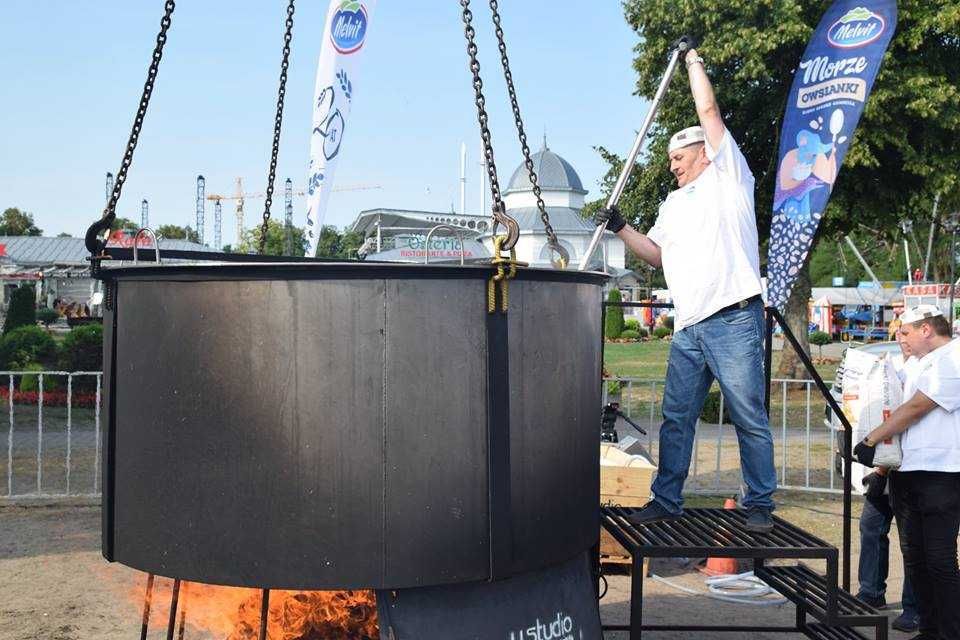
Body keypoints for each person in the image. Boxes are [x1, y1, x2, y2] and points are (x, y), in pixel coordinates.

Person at [595, 45, 777, 533]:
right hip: (691, 325)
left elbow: (708, 110)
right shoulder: (674, 204)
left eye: (679, 157)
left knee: (746, 415)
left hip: (734, 316)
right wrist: (621, 228)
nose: (672, 165)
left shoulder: (729, 176)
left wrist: (694, 61)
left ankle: (760, 502)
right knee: (676, 418)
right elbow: (657, 255)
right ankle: (667, 499)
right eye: (670, 158)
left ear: (703, 153)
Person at [855, 304, 960, 640]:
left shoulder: (952, 358)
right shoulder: (917, 363)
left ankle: (950, 631)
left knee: (940, 558)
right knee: (914, 556)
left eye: (905, 332)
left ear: (926, 329)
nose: (901, 339)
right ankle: (929, 628)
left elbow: (917, 407)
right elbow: (895, 403)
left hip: (942, 472)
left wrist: (872, 438)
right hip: (907, 469)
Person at [855, 328, 918, 632]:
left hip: (912, 468)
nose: (903, 339)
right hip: (886, 467)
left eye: (908, 333)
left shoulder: (927, 371)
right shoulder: (892, 370)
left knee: (911, 540)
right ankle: (870, 592)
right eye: (900, 333)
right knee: (871, 525)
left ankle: (914, 606)